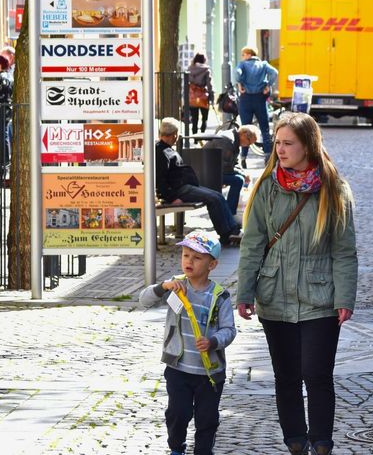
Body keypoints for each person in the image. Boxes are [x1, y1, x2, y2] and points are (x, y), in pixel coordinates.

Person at [236, 113, 357, 455]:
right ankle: (295, 441)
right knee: (286, 377)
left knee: (317, 375)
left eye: (288, 143)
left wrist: (345, 297)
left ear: (308, 145)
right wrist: (245, 291)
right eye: (277, 142)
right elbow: (253, 243)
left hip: (320, 296)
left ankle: (321, 442)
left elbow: (344, 251)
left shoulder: (334, 189)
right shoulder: (266, 186)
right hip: (275, 296)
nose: (281, 149)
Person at [139, 230, 236, 455]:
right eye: (185, 255)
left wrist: (213, 341)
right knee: (177, 413)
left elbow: (229, 330)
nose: (188, 261)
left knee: (207, 419)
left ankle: (203, 451)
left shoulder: (219, 296)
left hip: (209, 373)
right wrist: (162, 287)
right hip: (178, 368)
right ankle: (176, 447)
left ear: (212, 265)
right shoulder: (175, 286)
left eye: (197, 257)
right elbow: (144, 301)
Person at [156, 117, 242, 243]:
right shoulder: (161, 152)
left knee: (217, 195)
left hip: (184, 186)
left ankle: (232, 230)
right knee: (213, 199)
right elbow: (160, 178)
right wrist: (172, 198)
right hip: (180, 190)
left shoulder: (165, 149)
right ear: (175, 135)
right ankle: (226, 233)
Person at [203, 125, 259, 215]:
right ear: (244, 134)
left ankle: (228, 213)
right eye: (249, 143)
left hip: (213, 169)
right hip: (208, 171)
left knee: (239, 178)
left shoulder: (234, 139)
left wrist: (243, 173)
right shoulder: (228, 141)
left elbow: (234, 163)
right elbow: (225, 167)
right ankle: (229, 214)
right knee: (238, 180)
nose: (248, 146)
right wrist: (243, 175)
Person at [235, 47, 278, 158]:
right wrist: (268, 85)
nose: (243, 57)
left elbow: (237, 74)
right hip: (260, 98)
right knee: (265, 128)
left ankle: (243, 157)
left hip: (246, 99)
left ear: (248, 54)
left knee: (245, 129)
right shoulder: (263, 65)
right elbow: (274, 73)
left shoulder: (242, 65)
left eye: (243, 54)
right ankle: (267, 155)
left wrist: (239, 84)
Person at [187, 53, 214, 135]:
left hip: (192, 95)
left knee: (194, 118)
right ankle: (202, 134)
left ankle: (195, 136)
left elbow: (187, 82)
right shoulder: (206, 70)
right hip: (203, 96)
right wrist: (211, 96)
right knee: (204, 118)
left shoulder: (190, 69)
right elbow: (209, 84)